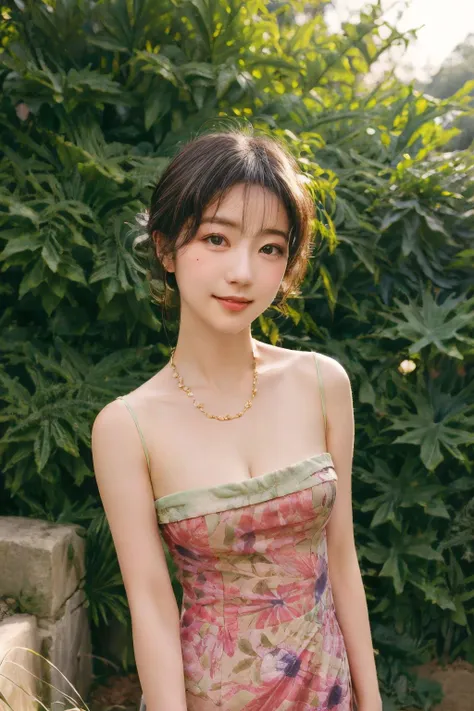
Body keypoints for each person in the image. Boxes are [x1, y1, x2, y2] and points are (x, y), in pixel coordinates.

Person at [91, 128, 382, 711]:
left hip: (327, 693)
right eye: (217, 239)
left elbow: (343, 561)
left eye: (270, 247)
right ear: (167, 248)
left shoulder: (323, 383)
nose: (243, 271)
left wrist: (370, 703)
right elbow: (150, 603)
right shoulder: (127, 427)